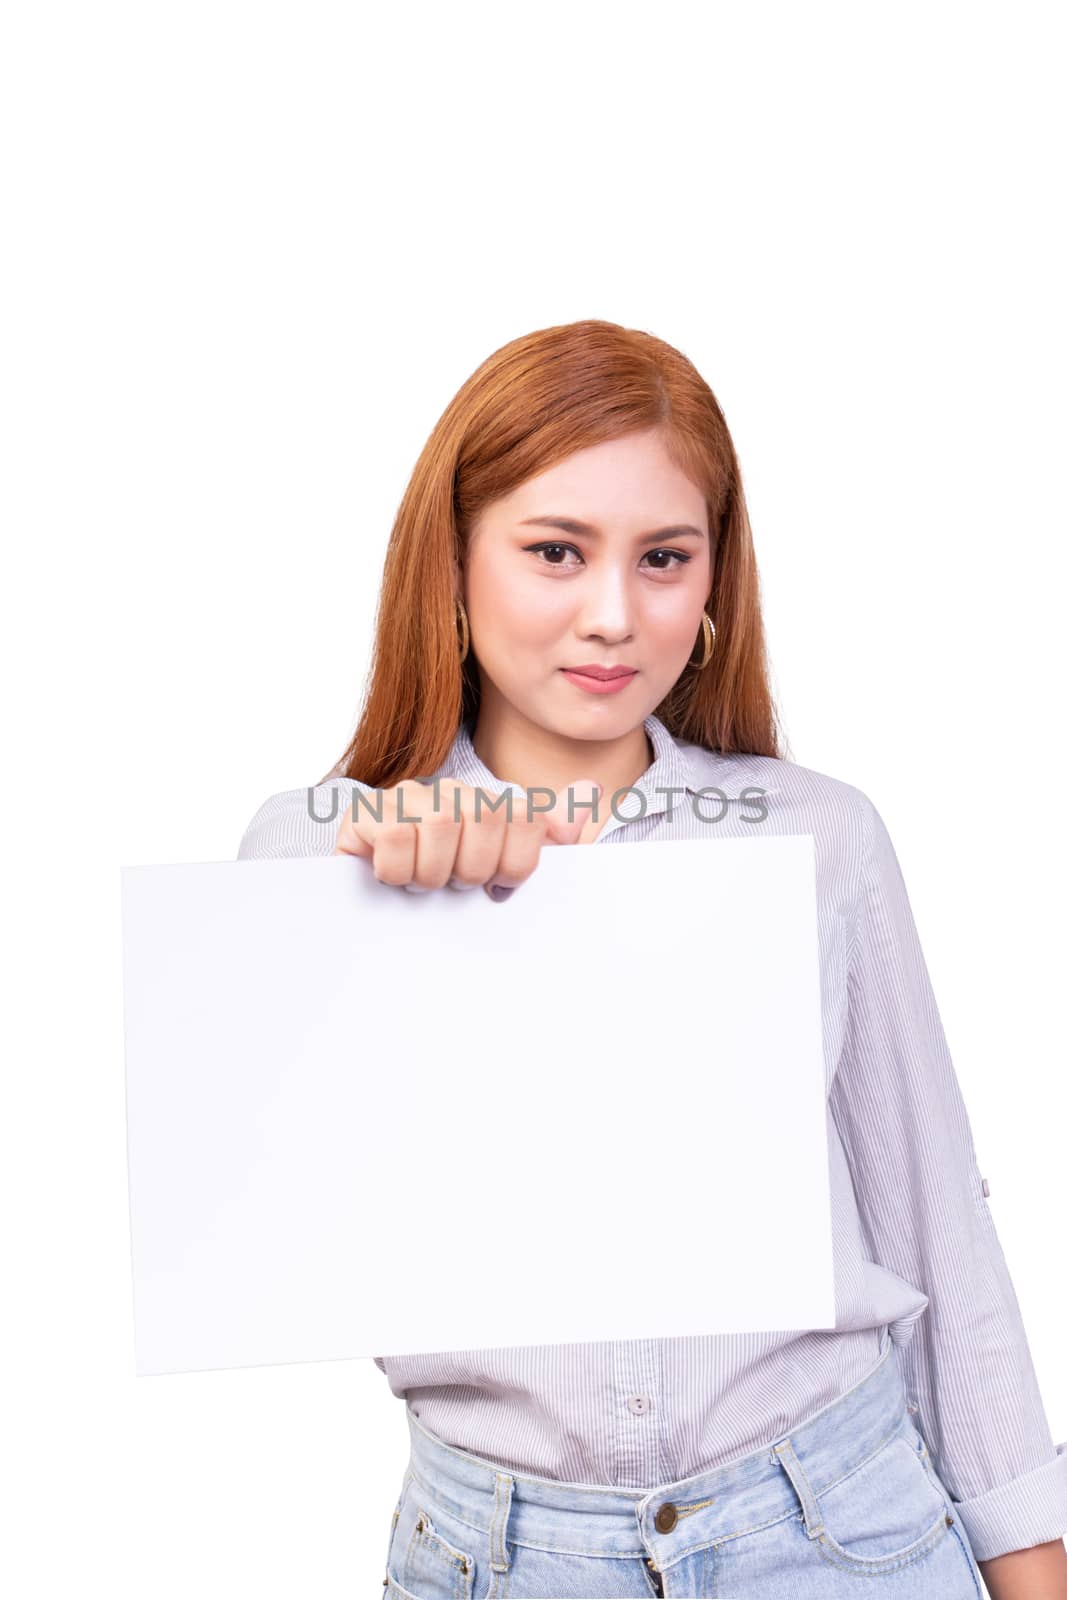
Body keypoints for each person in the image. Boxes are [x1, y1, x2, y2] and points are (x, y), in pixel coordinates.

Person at [236, 319, 1067, 1598]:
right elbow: (251, 1193)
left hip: (840, 1530)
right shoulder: (328, 854)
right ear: (451, 567)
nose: (612, 614)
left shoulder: (817, 838)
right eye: (554, 551)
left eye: (663, 557)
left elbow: (936, 1230)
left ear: (713, 583)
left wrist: (1030, 1564)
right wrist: (373, 849)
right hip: (497, 1555)